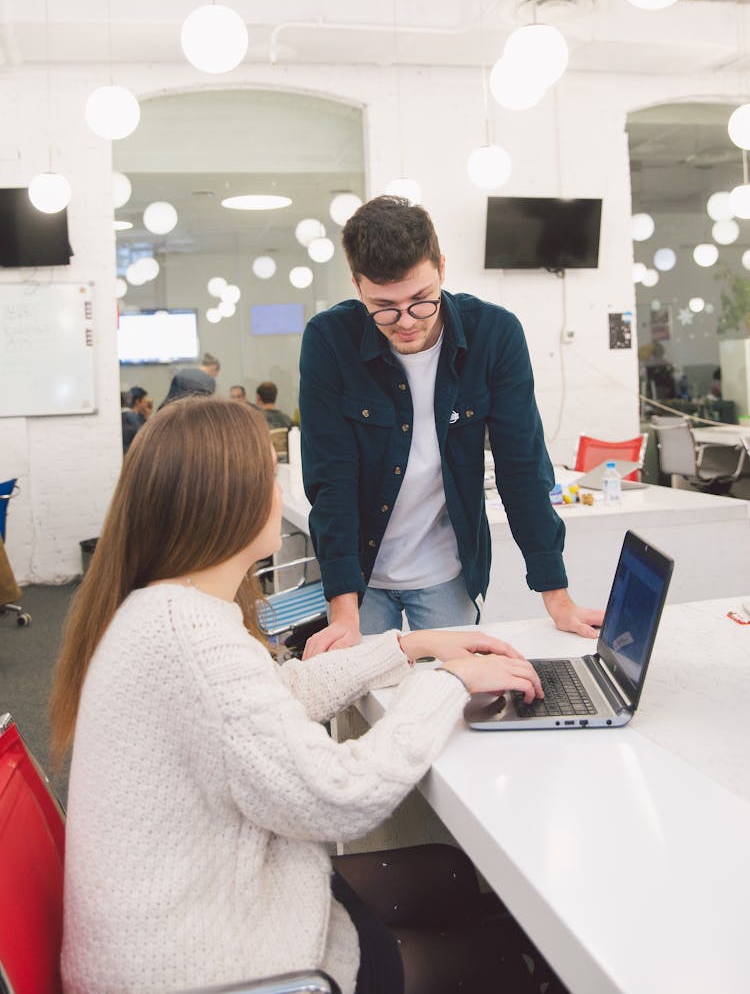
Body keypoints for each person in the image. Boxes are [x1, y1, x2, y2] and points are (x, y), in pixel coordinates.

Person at [49, 397, 546, 994]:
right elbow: (341, 797)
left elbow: (275, 691)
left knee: (449, 874)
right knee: (500, 956)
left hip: (196, 920)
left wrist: (411, 647)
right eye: (272, 476)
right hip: (206, 967)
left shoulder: (164, 609)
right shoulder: (190, 637)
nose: (283, 493)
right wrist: (449, 682)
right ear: (231, 501)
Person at [299, 195, 604, 657]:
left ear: (441, 267)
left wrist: (557, 597)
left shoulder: (494, 334)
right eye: (384, 307)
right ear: (356, 285)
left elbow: (521, 468)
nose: (405, 322)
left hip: (446, 571)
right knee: (365, 701)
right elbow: (331, 479)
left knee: (456, 701)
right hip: (360, 577)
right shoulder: (328, 340)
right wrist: (343, 610)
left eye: (421, 301)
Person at [120, 386, 149, 453]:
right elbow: (145, 439)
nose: (146, 403)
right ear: (137, 401)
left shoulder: (124, 416)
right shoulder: (132, 418)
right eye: (144, 400)